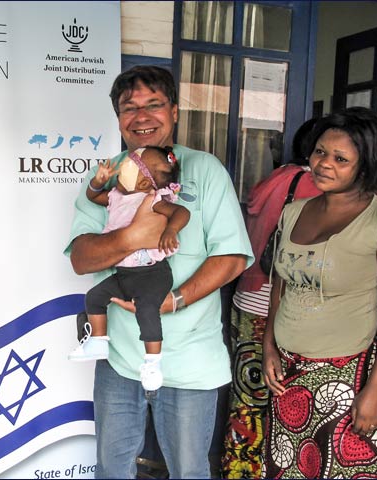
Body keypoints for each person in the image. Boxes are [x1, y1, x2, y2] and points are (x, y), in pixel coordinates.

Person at [64, 65, 253, 478]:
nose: (142, 116)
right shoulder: (107, 176)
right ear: (118, 118)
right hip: (118, 361)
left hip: (189, 362)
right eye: (130, 108)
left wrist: (176, 300)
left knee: (189, 472)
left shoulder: (204, 170)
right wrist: (134, 236)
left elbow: (233, 257)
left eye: (154, 104)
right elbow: (81, 258)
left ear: (175, 111)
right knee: (112, 471)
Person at [262, 107, 377, 478]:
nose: (323, 164)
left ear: (365, 165)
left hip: (348, 381)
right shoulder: (294, 211)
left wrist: (376, 388)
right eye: (319, 152)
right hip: (288, 377)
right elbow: (279, 285)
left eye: (340, 159)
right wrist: (269, 344)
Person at [222, 119, 321, 478]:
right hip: (278, 304)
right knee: (280, 394)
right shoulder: (315, 187)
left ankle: (238, 468)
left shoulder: (276, 178)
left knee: (246, 395)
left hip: (246, 295)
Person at [68, 146, 190, 392]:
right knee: (94, 297)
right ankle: (98, 340)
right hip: (126, 274)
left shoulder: (151, 200)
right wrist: (98, 181)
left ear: (145, 181)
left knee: (146, 310)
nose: (123, 165)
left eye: (131, 164)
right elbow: (93, 196)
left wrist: (171, 230)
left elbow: (181, 212)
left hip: (152, 274)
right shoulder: (116, 195)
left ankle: (153, 362)